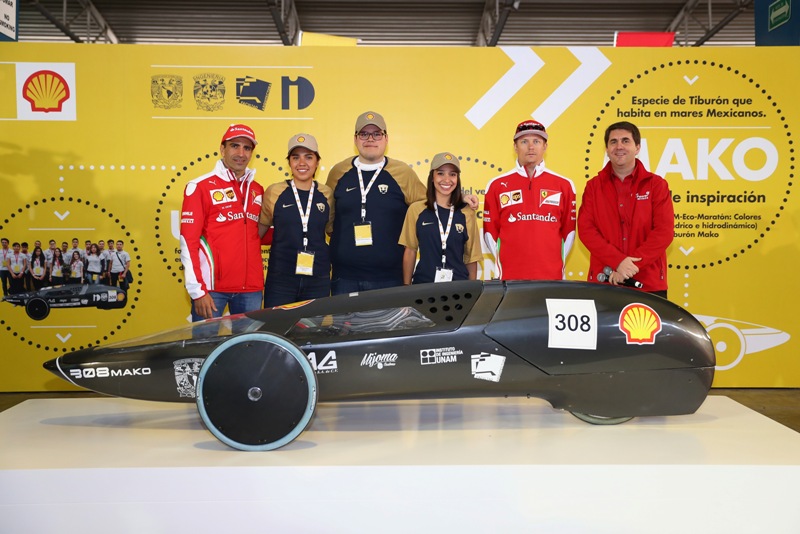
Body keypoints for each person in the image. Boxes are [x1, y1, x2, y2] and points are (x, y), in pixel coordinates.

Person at [326, 111, 429, 294]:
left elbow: (430, 207)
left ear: (386, 138)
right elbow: (328, 220)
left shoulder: (403, 173)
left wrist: (461, 199)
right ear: (356, 139)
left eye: (377, 134)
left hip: (390, 279)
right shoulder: (338, 172)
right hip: (344, 279)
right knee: (343, 324)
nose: (370, 139)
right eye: (364, 134)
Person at [577, 121, 674, 298]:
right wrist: (618, 261)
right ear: (606, 149)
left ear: (637, 147)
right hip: (604, 281)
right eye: (613, 142)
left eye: (625, 141)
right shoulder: (593, 187)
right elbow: (586, 230)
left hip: (648, 283)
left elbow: (664, 232)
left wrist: (629, 267)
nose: (619, 146)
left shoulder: (657, 185)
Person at [180, 124, 265, 320]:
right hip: (211, 290)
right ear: (222, 149)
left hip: (250, 290)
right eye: (235, 146)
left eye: (247, 148)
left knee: (248, 349)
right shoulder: (199, 186)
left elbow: (257, 233)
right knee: (205, 348)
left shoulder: (257, 189)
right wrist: (198, 291)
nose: (241, 153)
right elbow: (188, 241)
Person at [483, 119, 576, 280]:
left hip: (552, 278)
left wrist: (552, 264)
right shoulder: (496, 185)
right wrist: (502, 266)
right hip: (509, 278)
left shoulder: (564, 185)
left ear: (545, 146)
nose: (531, 147)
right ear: (515, 146)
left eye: (537, 141)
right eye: (524, 141)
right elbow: (490, 233)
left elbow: (569, 233)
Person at [258, 133, 334, 307]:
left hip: (318, 279)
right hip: (281, 280)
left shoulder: (327, 194)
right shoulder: (274, 192)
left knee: (314, 333)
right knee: (276, 331)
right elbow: (257, 235)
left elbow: (333, 233)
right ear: (289, 162)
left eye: (308, 157)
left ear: (317, 162)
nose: (302, 163)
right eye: (295, 157)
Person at [399, 152, 482, 285]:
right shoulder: (416, 210)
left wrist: (471, 293)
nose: (447, 179)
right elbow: (410, 251)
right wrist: (406, 287)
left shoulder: (467, 212)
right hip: (423, 286)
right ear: (432, 176)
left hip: (458, 288)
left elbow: (471, 258)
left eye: (452, 174)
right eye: (441, 173)